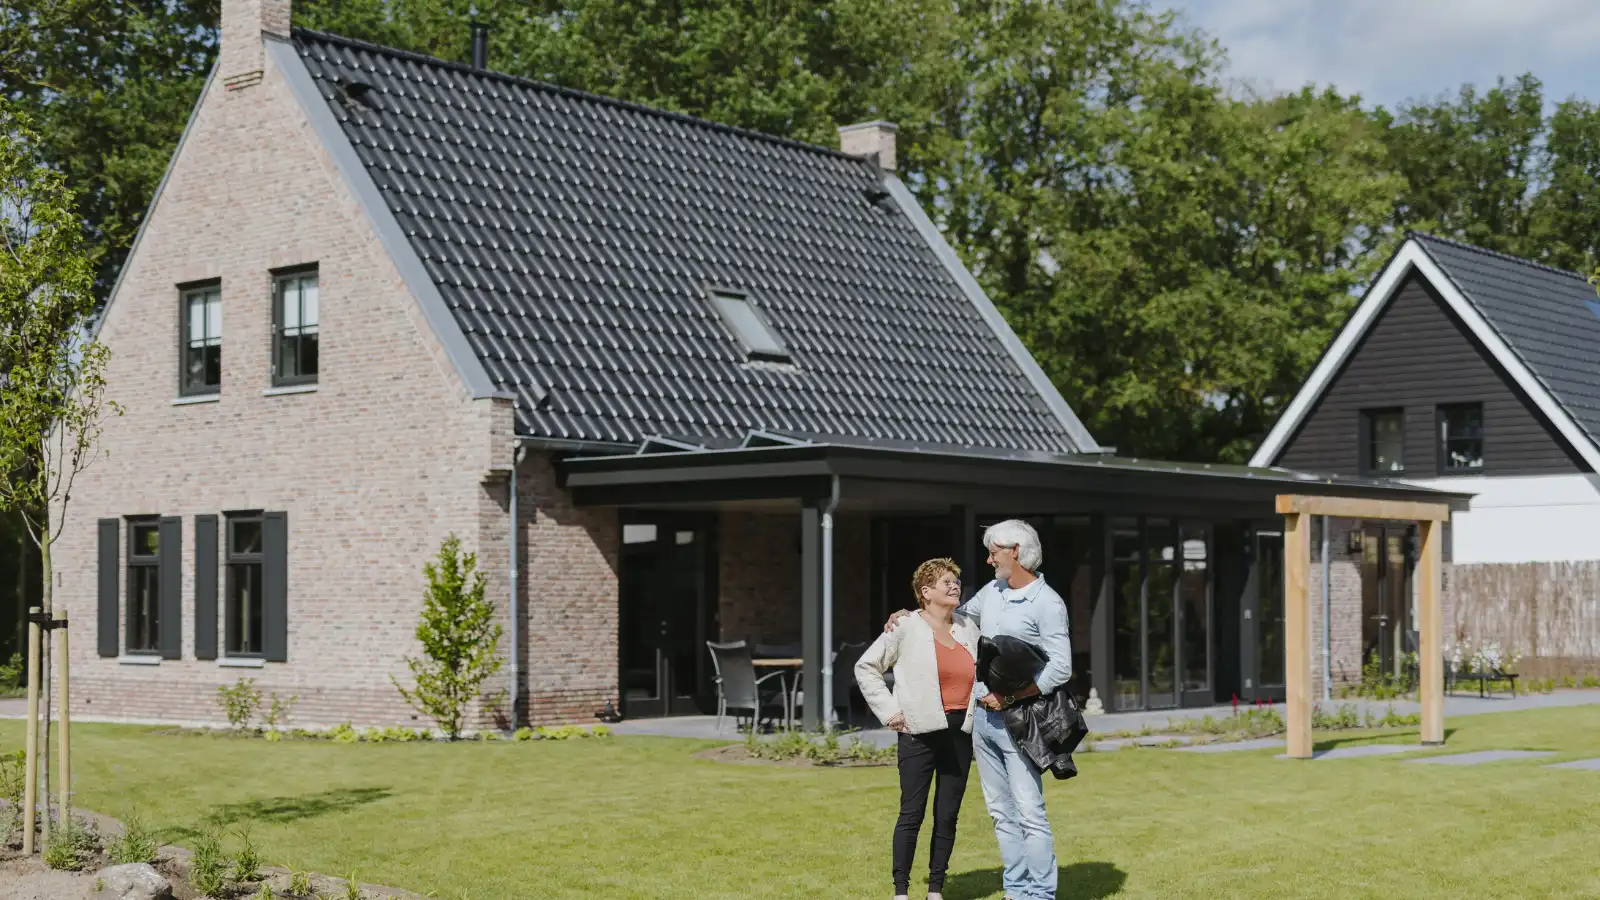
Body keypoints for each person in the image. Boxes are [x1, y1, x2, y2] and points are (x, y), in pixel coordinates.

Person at [885, 520, 1070, 900]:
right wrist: (905, 615)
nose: (988, 560)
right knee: (1001, 813)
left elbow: (1061, 667)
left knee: (1029, 812)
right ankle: (1016, 890)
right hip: (983, 721)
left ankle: (1039, 895)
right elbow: (949, 618)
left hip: (1021, 720)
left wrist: (1013, 698)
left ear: (1014, 551)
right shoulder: (994, 591)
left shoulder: (1047, 603)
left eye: (993, 552)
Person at [856, 558, 980, 900]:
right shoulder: (906, 626)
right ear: (925, 592)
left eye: (956, 581)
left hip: (961, 733)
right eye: (946, 582)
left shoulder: (969, 627)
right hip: (918, 733)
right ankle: (901, 891)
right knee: (912, 813)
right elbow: (866, 666)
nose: (955, 586)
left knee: (948, 815)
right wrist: (890, 711)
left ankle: (936, 889)